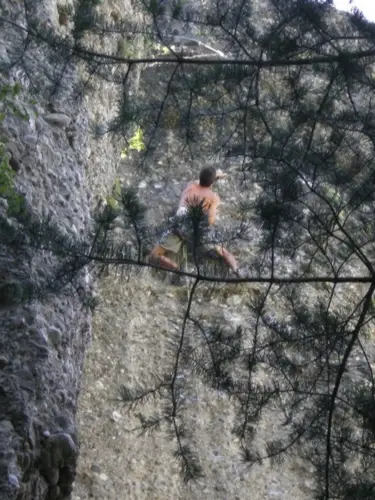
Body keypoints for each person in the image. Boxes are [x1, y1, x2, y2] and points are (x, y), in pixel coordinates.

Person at [149, 167, 240, 276]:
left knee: (154, 256)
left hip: (180, 227)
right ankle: (236, 271)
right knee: (222, 251)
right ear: (212, 182)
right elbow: (211, 221)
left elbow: (202, 180)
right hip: (197, 230)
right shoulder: (213, 197)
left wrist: (215, 175)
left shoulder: (190, 186)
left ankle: (178, 271)